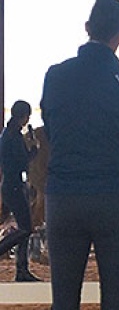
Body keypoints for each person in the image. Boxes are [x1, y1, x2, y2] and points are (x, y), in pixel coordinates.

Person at [41, 0, 119, 310]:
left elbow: (52, 130)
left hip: (63, 196)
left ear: (87, 27)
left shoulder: (55, 75)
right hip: (113, 197)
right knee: (115, 300)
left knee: (63, 300)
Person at [0, 100, 41, 282]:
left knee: (25, 227)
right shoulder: (13, 136)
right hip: (15, 184)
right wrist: (34, 150)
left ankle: (22, 269)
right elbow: (23, 162)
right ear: (24, 116)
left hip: (11, 184)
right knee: (25, 228)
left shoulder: (7, 134)